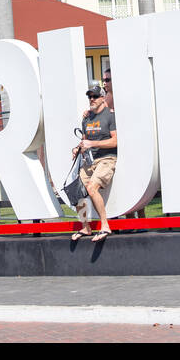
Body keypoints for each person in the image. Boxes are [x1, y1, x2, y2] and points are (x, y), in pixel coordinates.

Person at [71, 84, 116, 243]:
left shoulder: (110, 116)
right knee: (76, 192)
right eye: (89, 96)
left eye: (95, 96)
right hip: (89, 160)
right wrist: (78, 148)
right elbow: (85, 140)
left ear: (103, 98)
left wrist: (93, 144)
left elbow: (115, 141)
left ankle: (105, 226)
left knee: (91, 188)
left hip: (106, 159)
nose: (91, 99)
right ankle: (86, 227)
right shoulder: (86, 118)